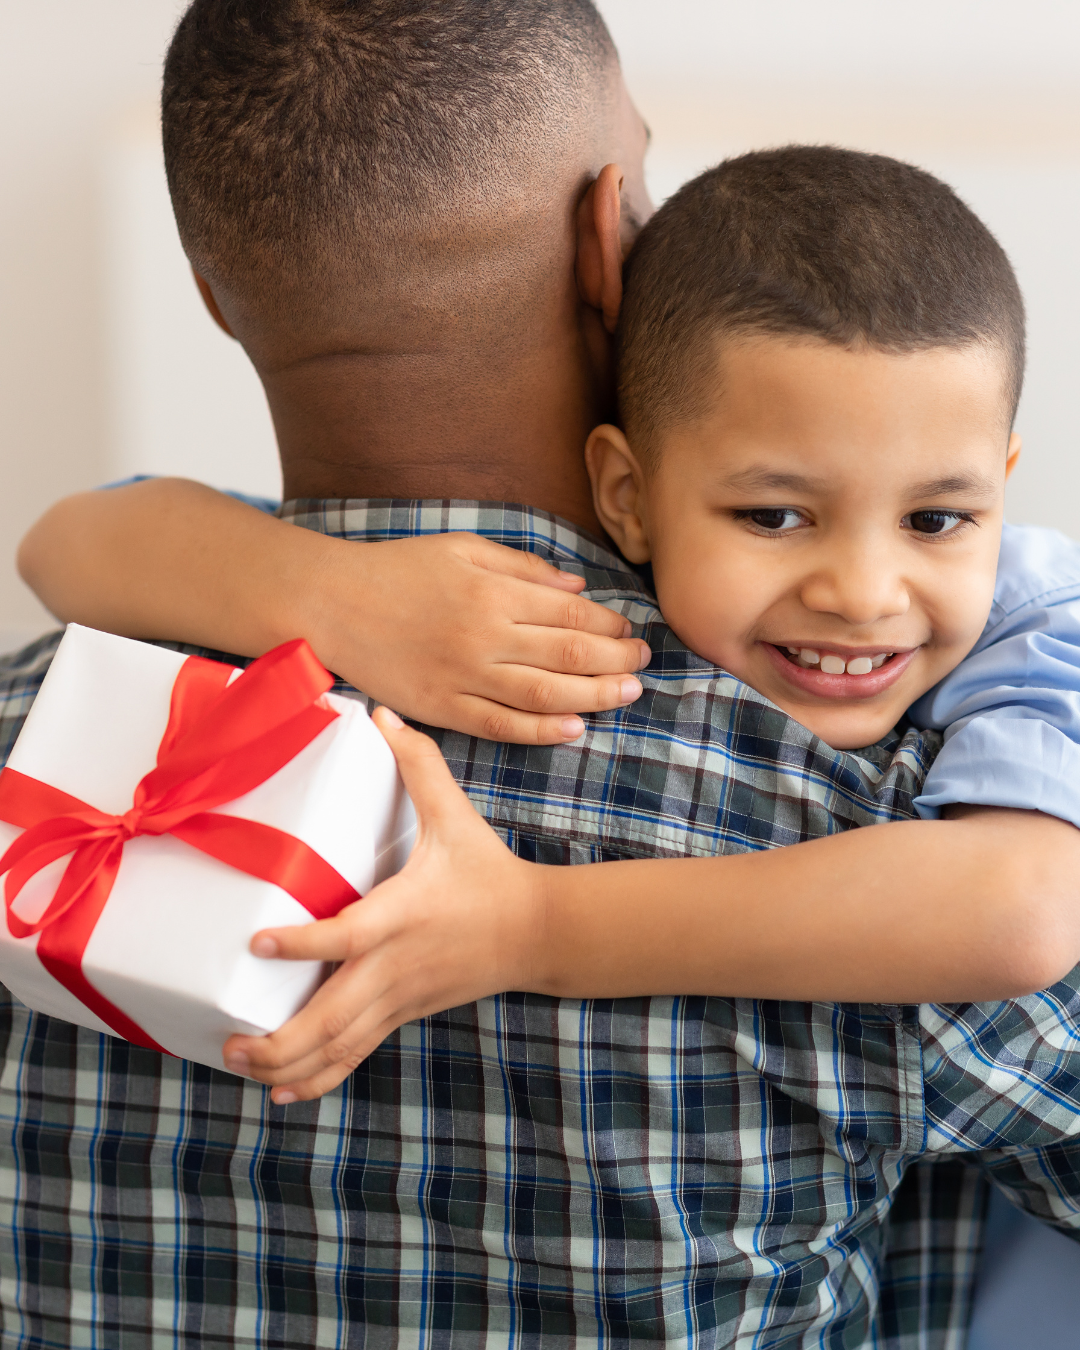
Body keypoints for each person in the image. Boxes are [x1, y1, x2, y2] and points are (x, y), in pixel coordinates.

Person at [2, 2, 1079, 1344]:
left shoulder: (34, 755)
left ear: (212, 289)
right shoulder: (878, 812)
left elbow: (73, 536)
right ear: (608, 241)